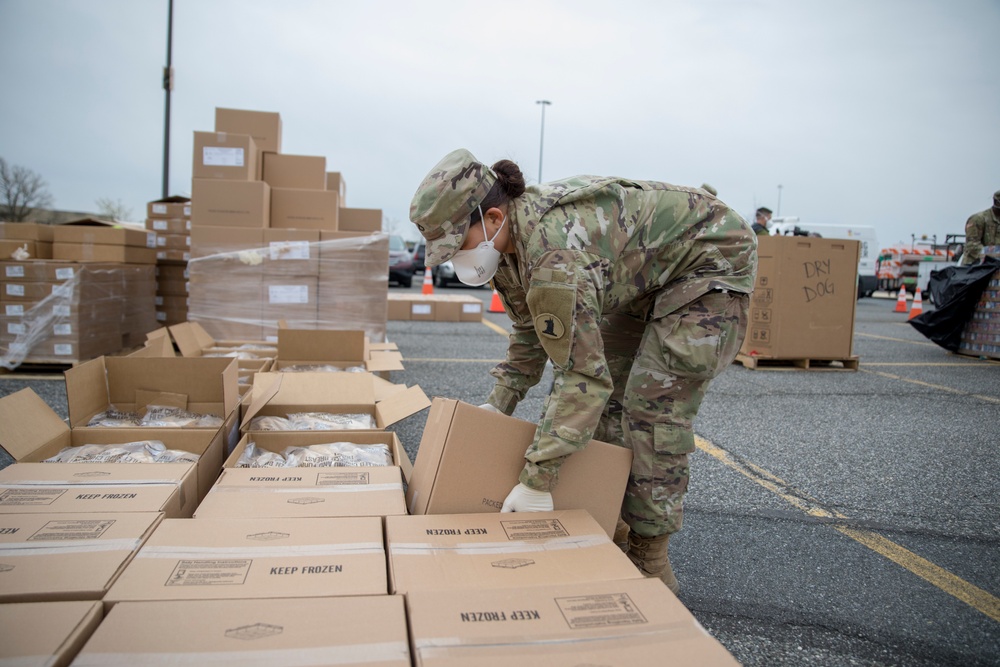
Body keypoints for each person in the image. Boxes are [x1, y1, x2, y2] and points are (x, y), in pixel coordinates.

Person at [410, 149, 757, 594]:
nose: (456, 255)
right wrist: (499, 403)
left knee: (651, 408)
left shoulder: (555, 255)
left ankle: (650, 556)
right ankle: (608, 518)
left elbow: (582, 378)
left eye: (457, 241)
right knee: (609, 405)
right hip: (646, 274)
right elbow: (530, 328)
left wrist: (538, 479)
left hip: (710, 265)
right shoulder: (510, 244)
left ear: (493, 217)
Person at [961, 190, 1000, 265]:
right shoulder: (978, 219)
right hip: (974, 267)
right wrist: (993, 255)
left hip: (995, 266)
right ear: (996, 202)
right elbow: (972, 245)